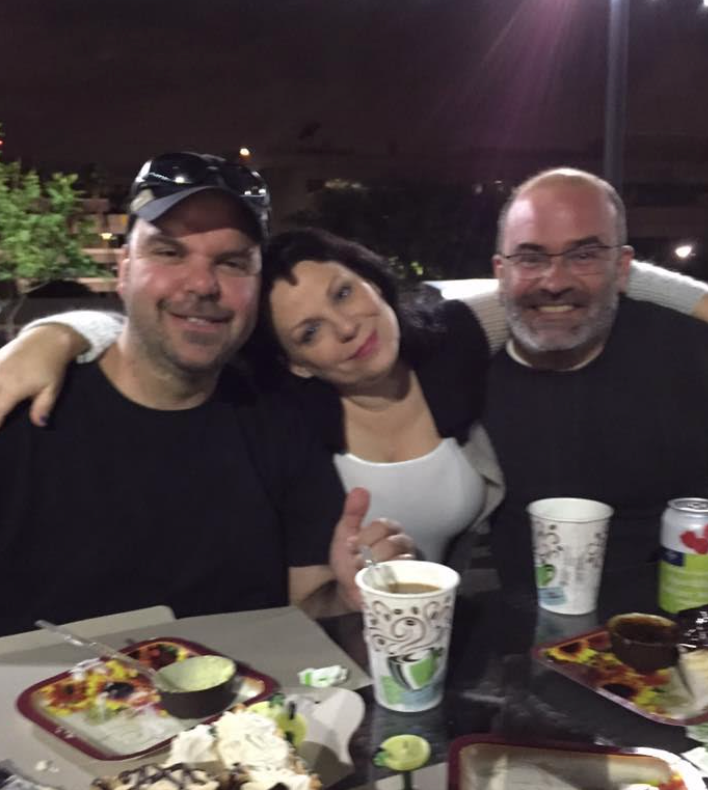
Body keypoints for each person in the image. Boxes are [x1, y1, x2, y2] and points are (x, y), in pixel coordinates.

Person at [1, 221, 708, 567]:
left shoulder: (450, 340)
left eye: (344, 293)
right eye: (309, 331)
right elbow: (161, 342)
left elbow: (554, 279)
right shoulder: (278, 413)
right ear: (296, 364)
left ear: (373, 280)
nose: (346, 327)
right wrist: (62, 332)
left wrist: (701, 299)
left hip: (463, 634)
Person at [0, 152, 412, 635]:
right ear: (124, 268)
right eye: (169, 253)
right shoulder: (20, 407)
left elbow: (305, 605)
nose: (201, 284)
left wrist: (346, 595)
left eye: (232, 262)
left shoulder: (281, 421)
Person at [482, 166, 708, 586]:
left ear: (622, 268)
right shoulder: (462, 368)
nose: (554, 282)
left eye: (584, 255)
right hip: (517, 620)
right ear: (501, 271)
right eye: (530, 258)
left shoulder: (692, 356)